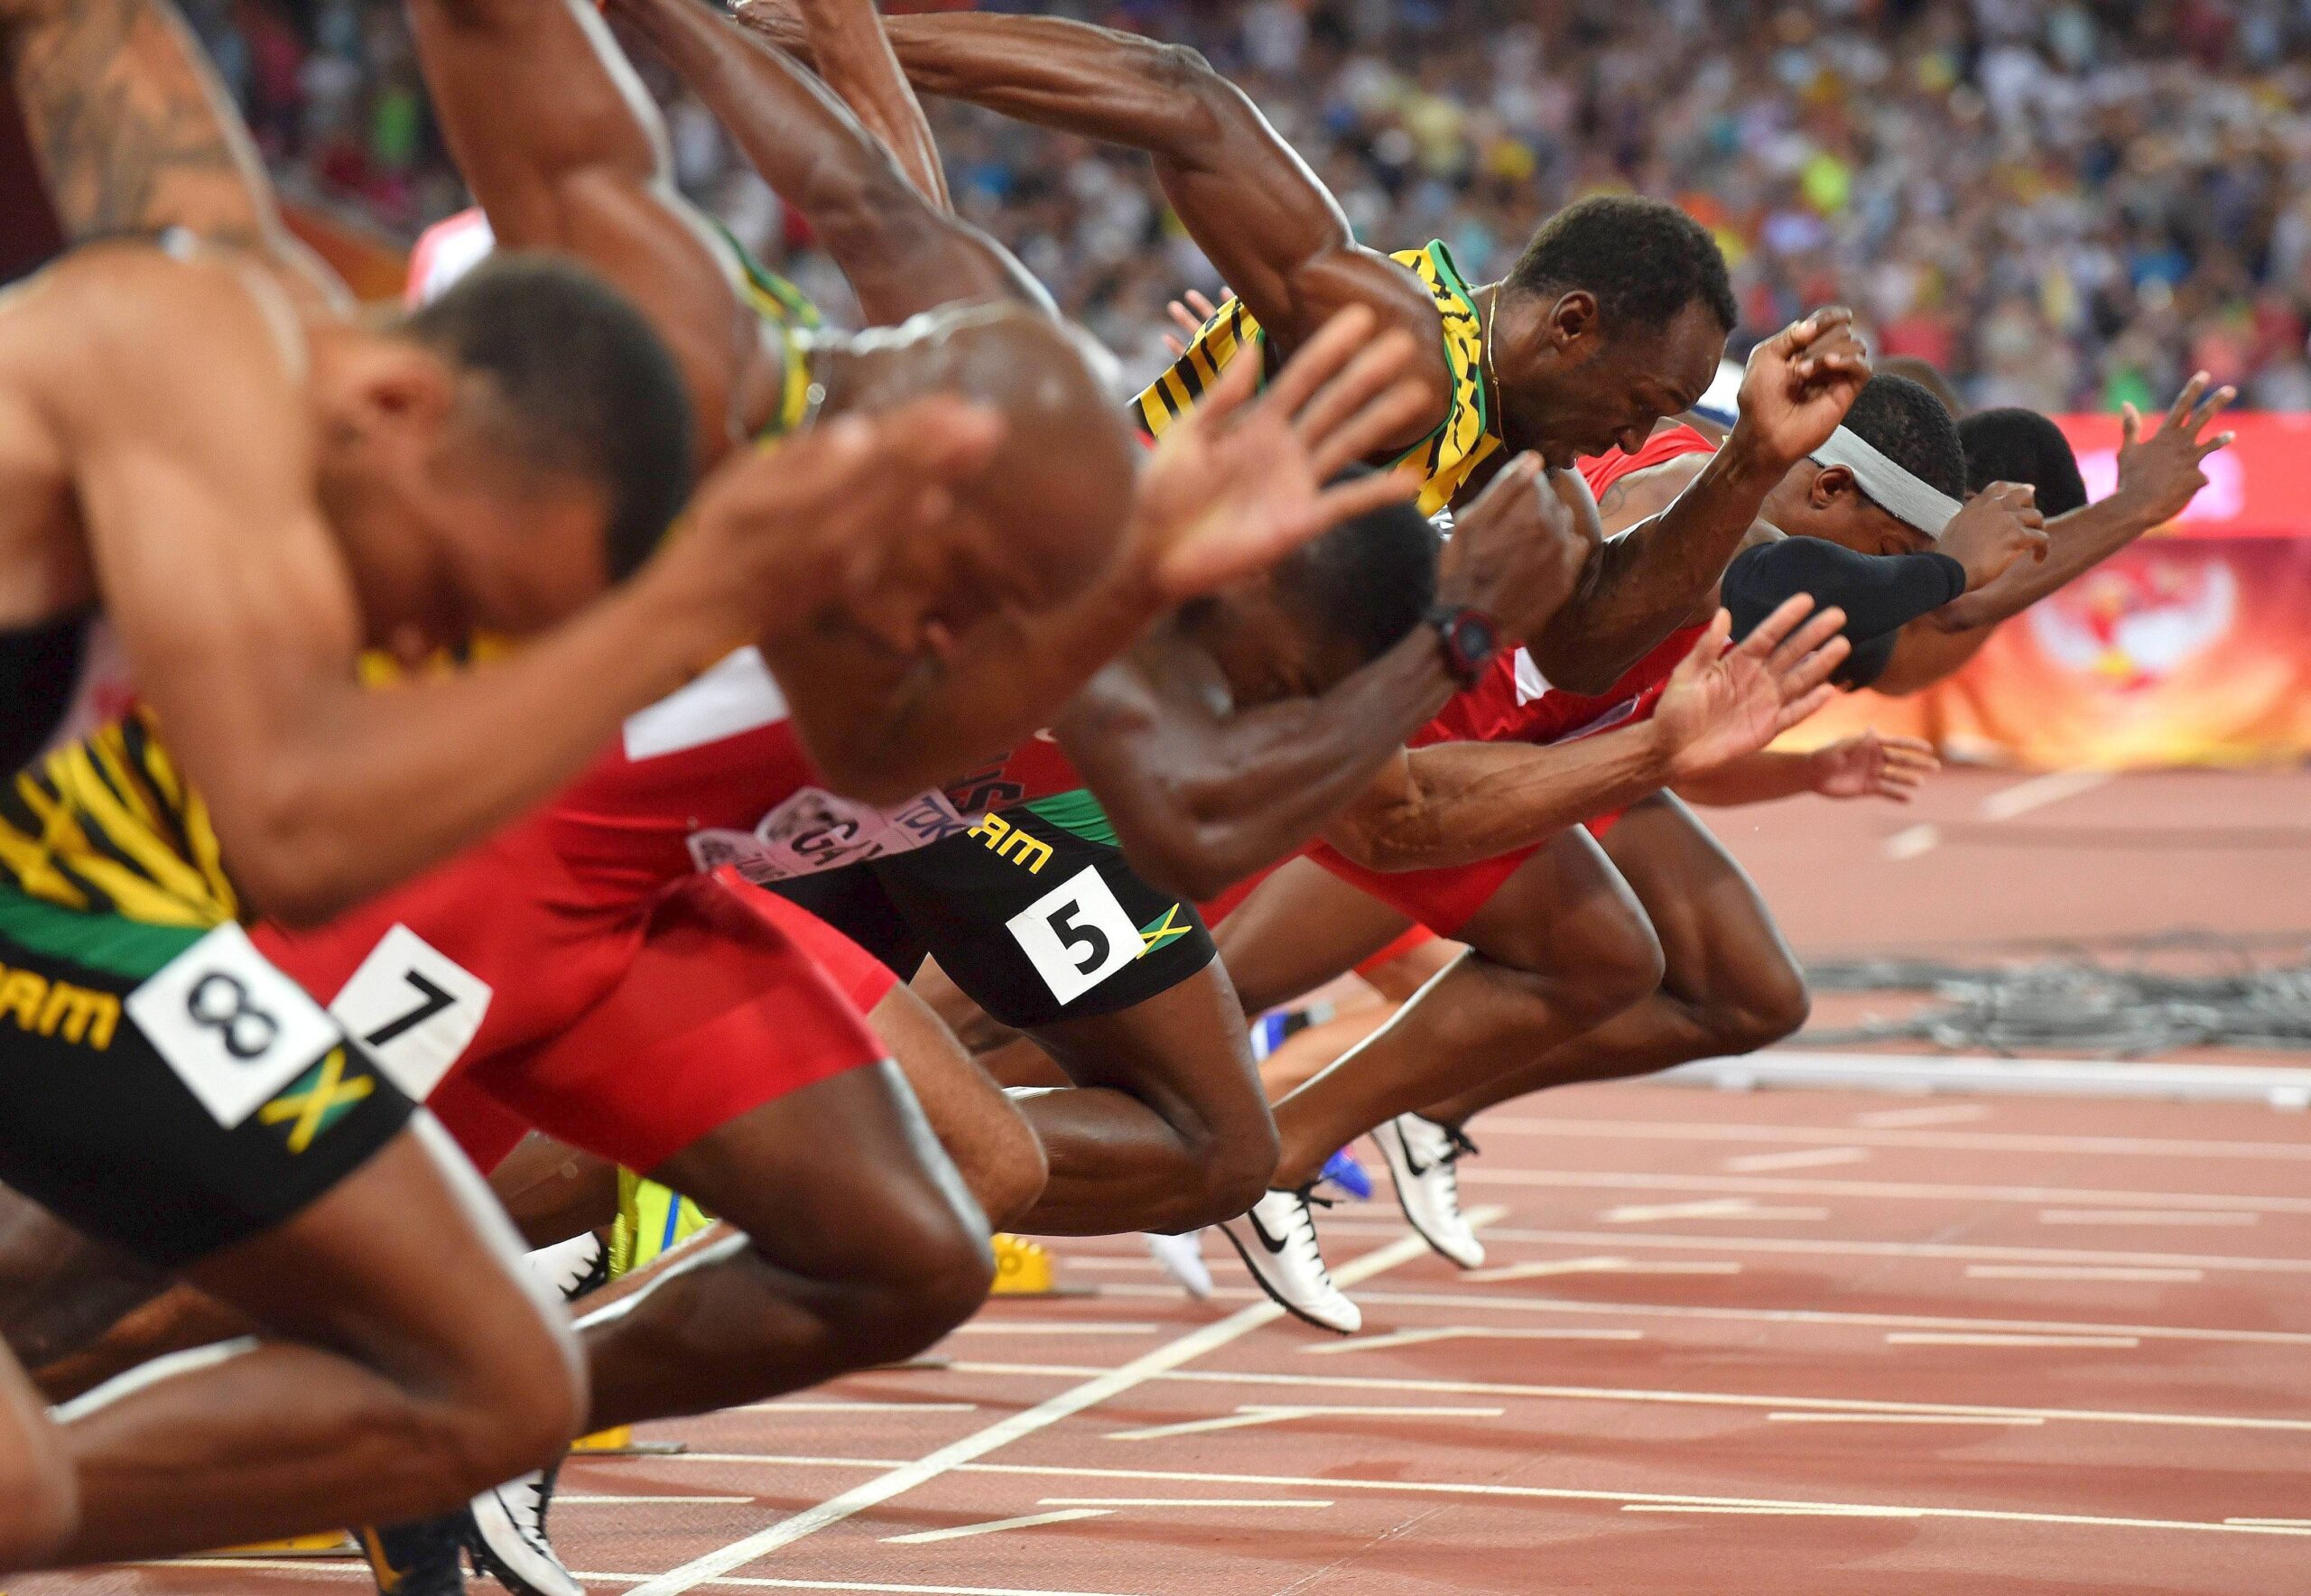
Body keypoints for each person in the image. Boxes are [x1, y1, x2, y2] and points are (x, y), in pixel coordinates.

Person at [0, 0, 1017, 1564]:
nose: (417, 644)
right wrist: (692, 604)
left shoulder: (231, 281)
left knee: (501, 1382)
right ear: (404, 406)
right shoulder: (183, 352)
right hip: (106, 886)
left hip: (54, 886)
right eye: (445, 597)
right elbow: (293, 827)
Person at [1204, 376, 2053, 1328]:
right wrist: (1959, 570)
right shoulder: (1697, 499)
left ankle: (1285, 1138)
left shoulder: (1754, 560)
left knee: (1698, 979)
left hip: (1506, 767)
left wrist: (1807, 774)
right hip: (1431, 757)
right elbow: (1892, 607)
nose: (1881, 597)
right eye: (1889, 554)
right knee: (1181, 998)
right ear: (1827, 491)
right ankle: (1221, 1153)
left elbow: (1691, 760)